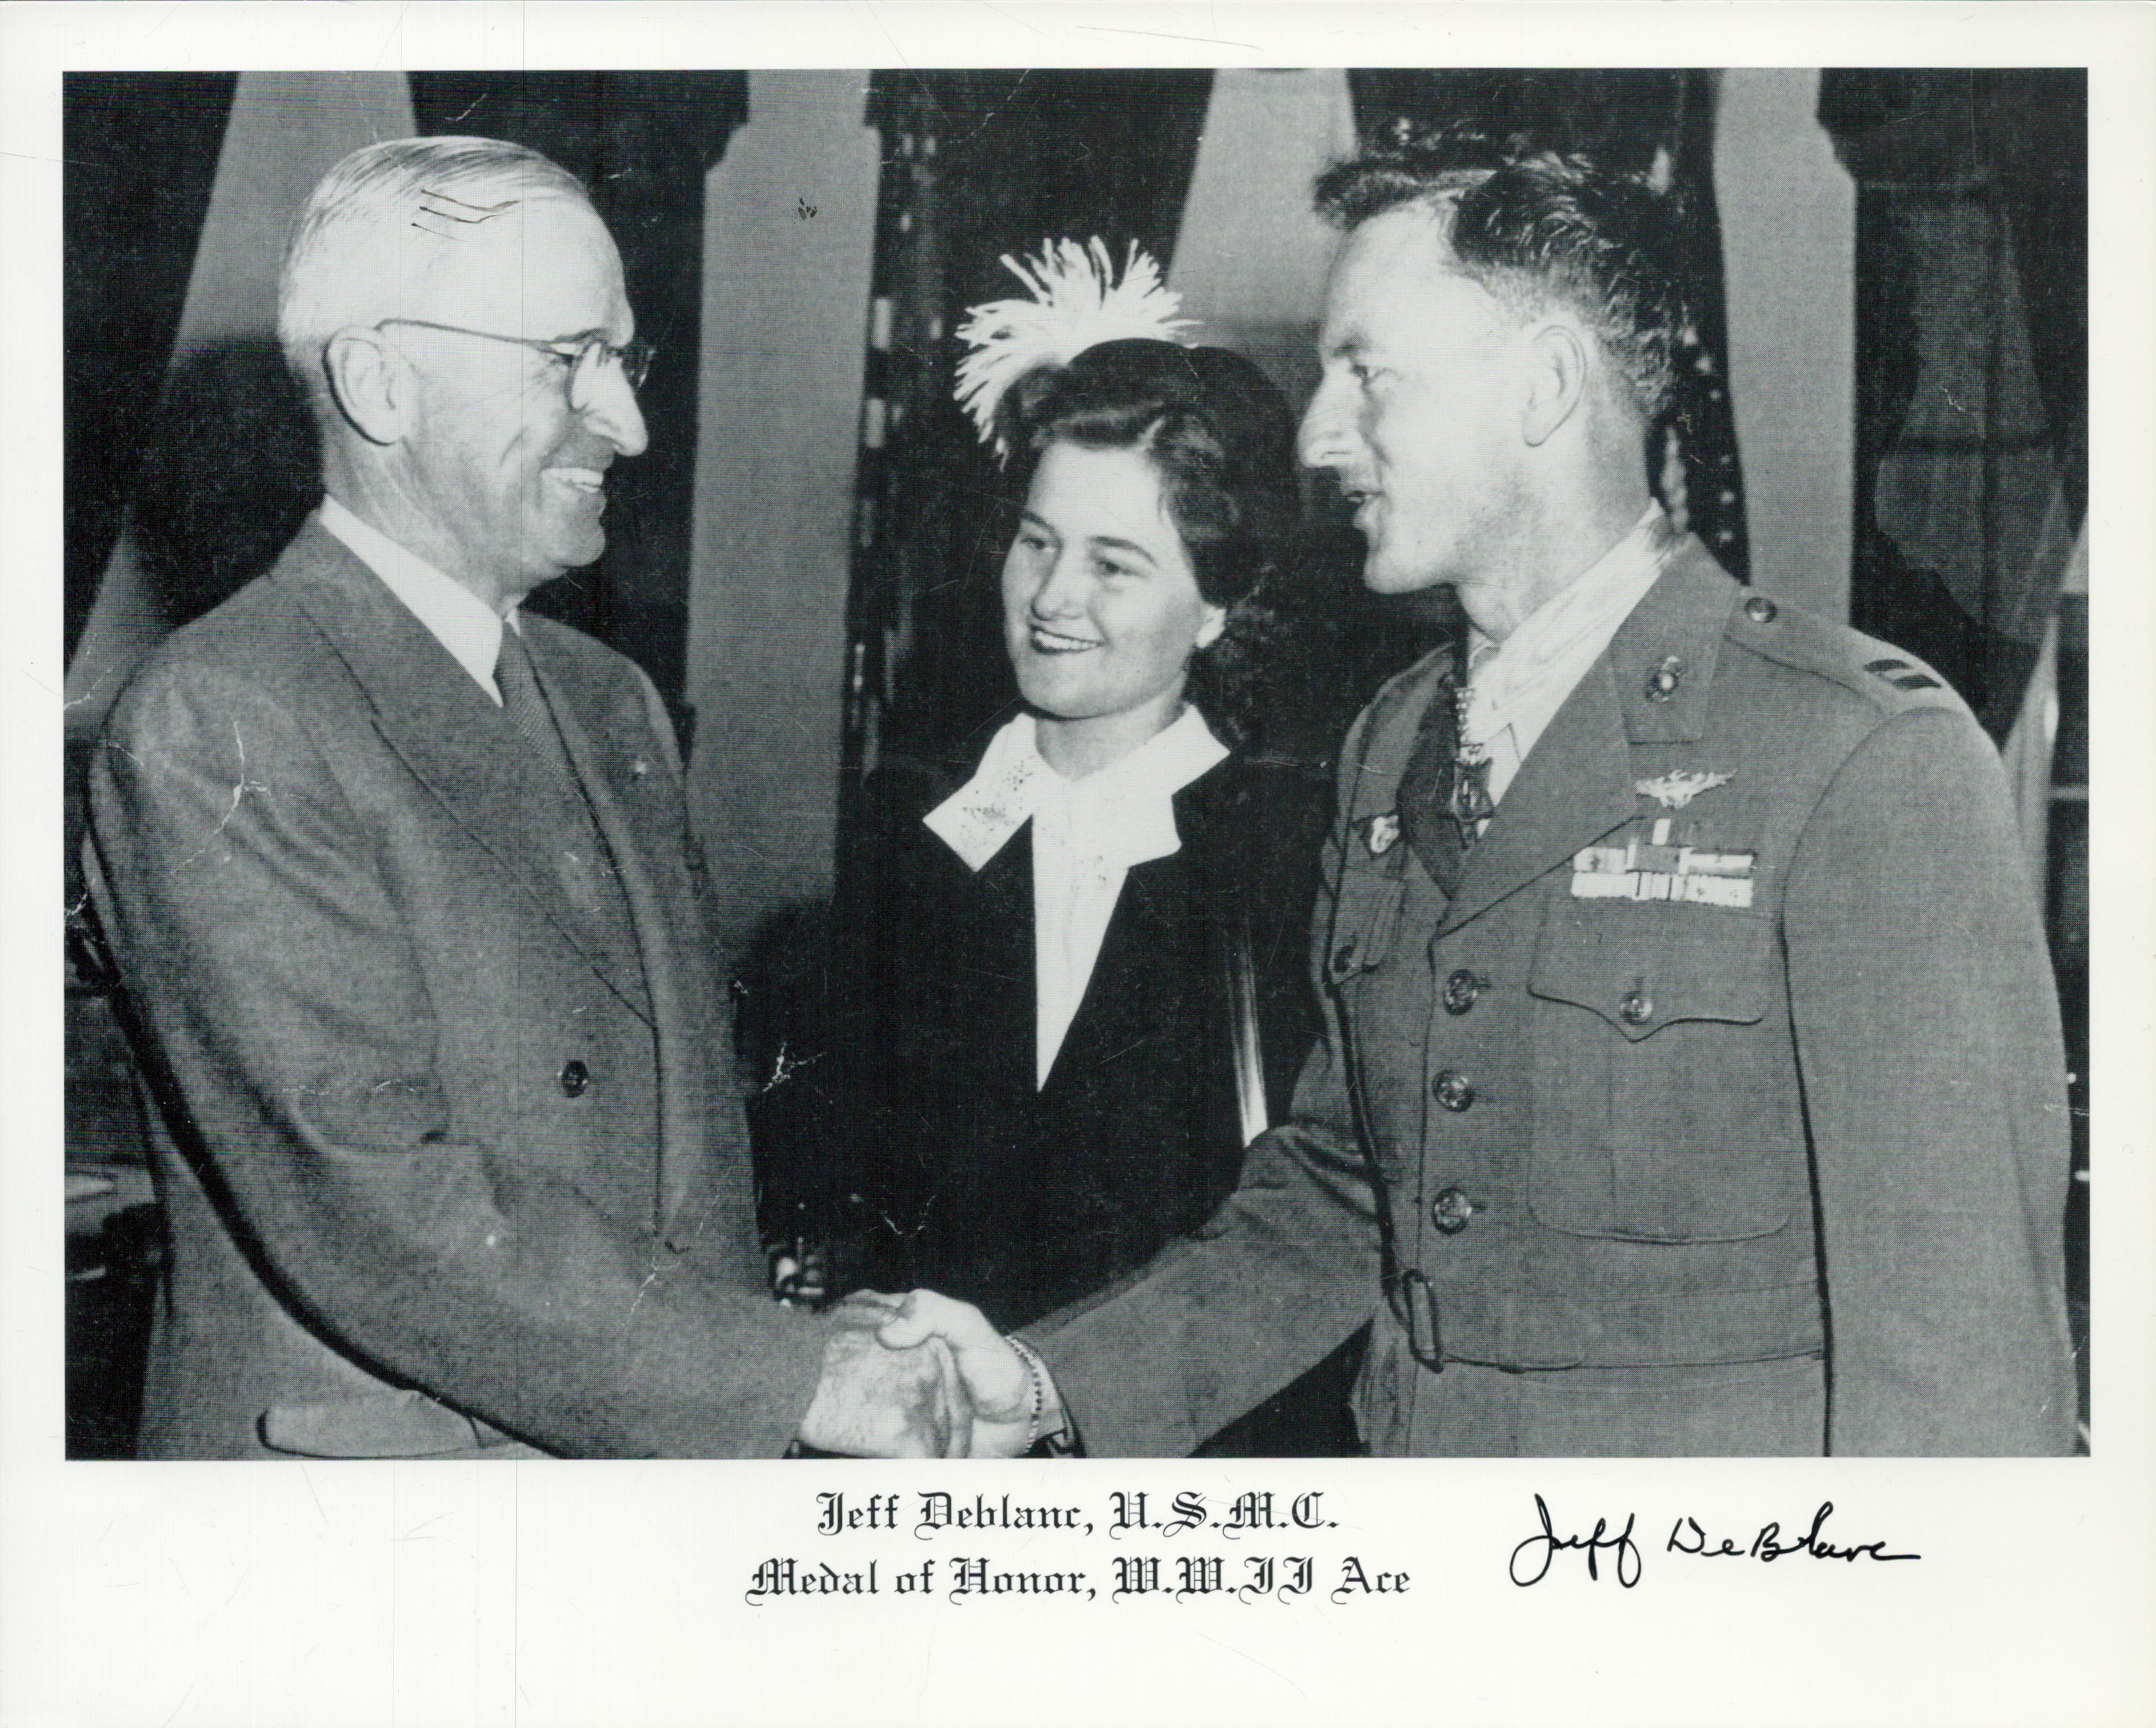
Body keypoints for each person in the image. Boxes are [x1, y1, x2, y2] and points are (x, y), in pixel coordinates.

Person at [880, 124, 2079, 1457]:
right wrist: (1053, 1386)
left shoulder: (1855, 759)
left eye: (1366, 375)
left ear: (1544, 389)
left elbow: (1965, 1385)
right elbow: (1344, 1197)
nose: (1323, 432)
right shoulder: (1393, 745)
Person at [84, 136, 960, 1459]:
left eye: (624, 361)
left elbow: (677, 1169)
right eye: (571, 362)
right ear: (382, 383)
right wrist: (793, 1381)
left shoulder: (611, 701)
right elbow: (380, 1207)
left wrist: (775, 1361)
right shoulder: (220, 715)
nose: (631, 424)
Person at [818, 297, 1358, 1452]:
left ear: (1217, 602)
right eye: (1035, 540)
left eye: (1115, 564)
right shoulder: (914, 826)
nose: (1054, 597)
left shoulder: (1298, 863)